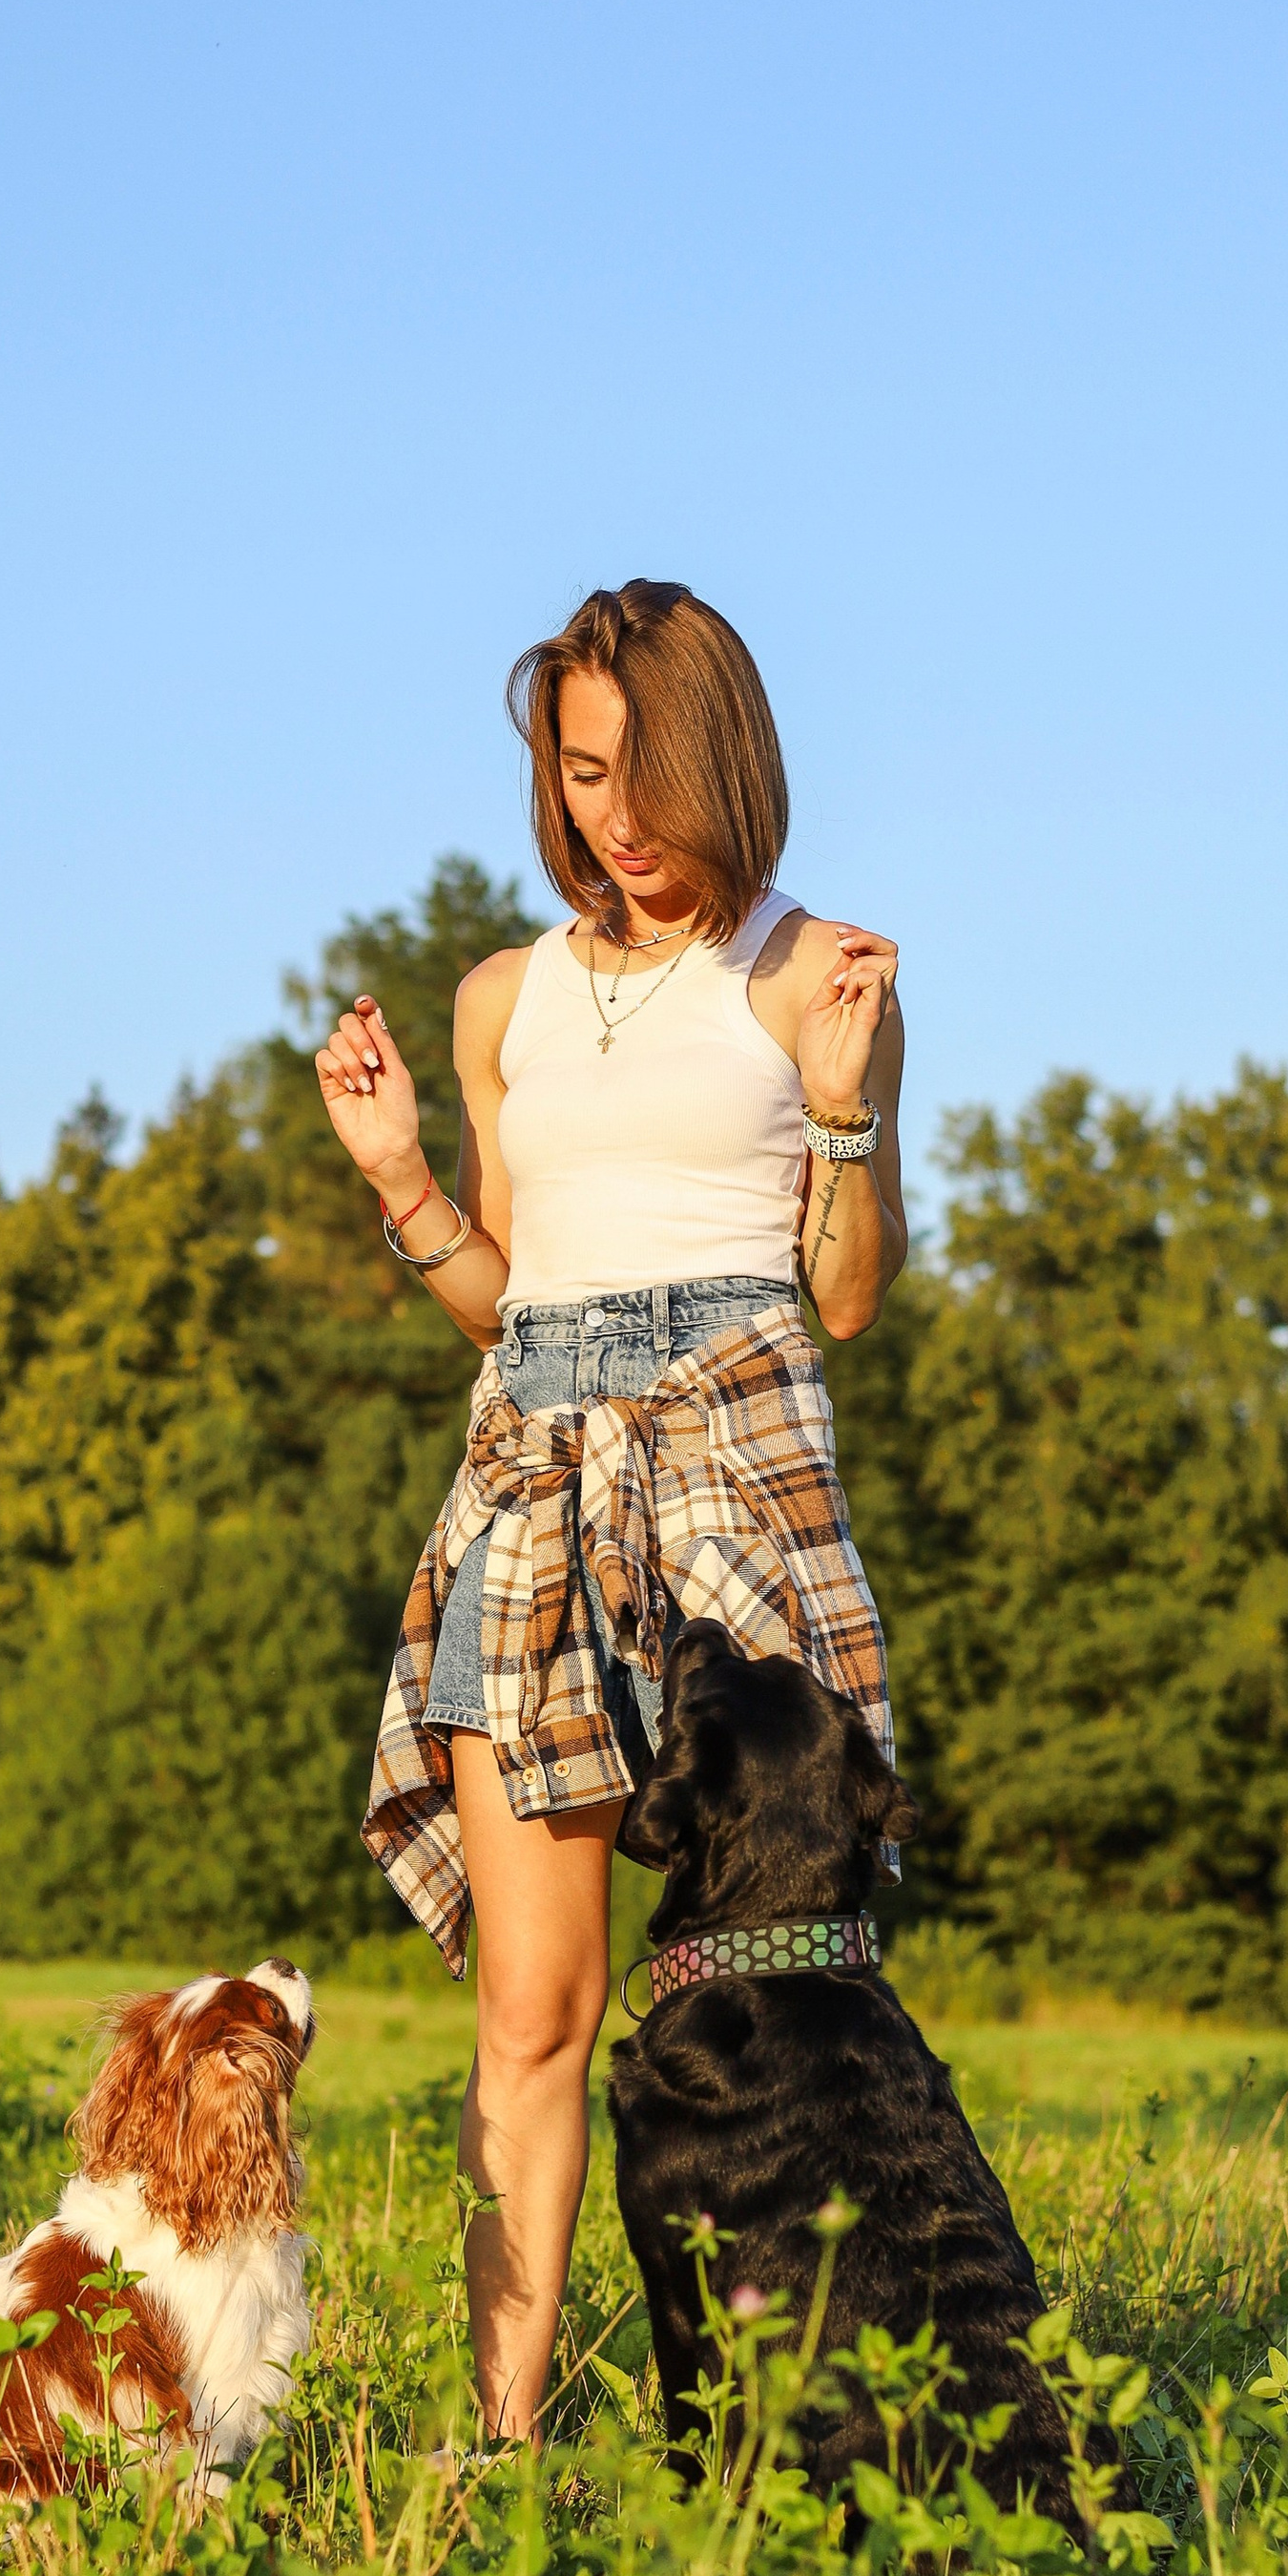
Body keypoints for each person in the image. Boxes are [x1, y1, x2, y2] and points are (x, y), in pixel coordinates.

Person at [315, 579, 906, 2440]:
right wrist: (401, 1173)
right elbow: (504, 1294)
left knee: (784, 1979)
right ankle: (498, 2446)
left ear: (720, 756)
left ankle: (803, 2402)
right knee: (533, 2012)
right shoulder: (506, 994)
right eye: (578, 778)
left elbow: (851, 1295)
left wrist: (839, 1117)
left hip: (734, 1451)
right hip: (534, 1463)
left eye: (641, 773)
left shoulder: (821, 972)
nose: (612, 817)